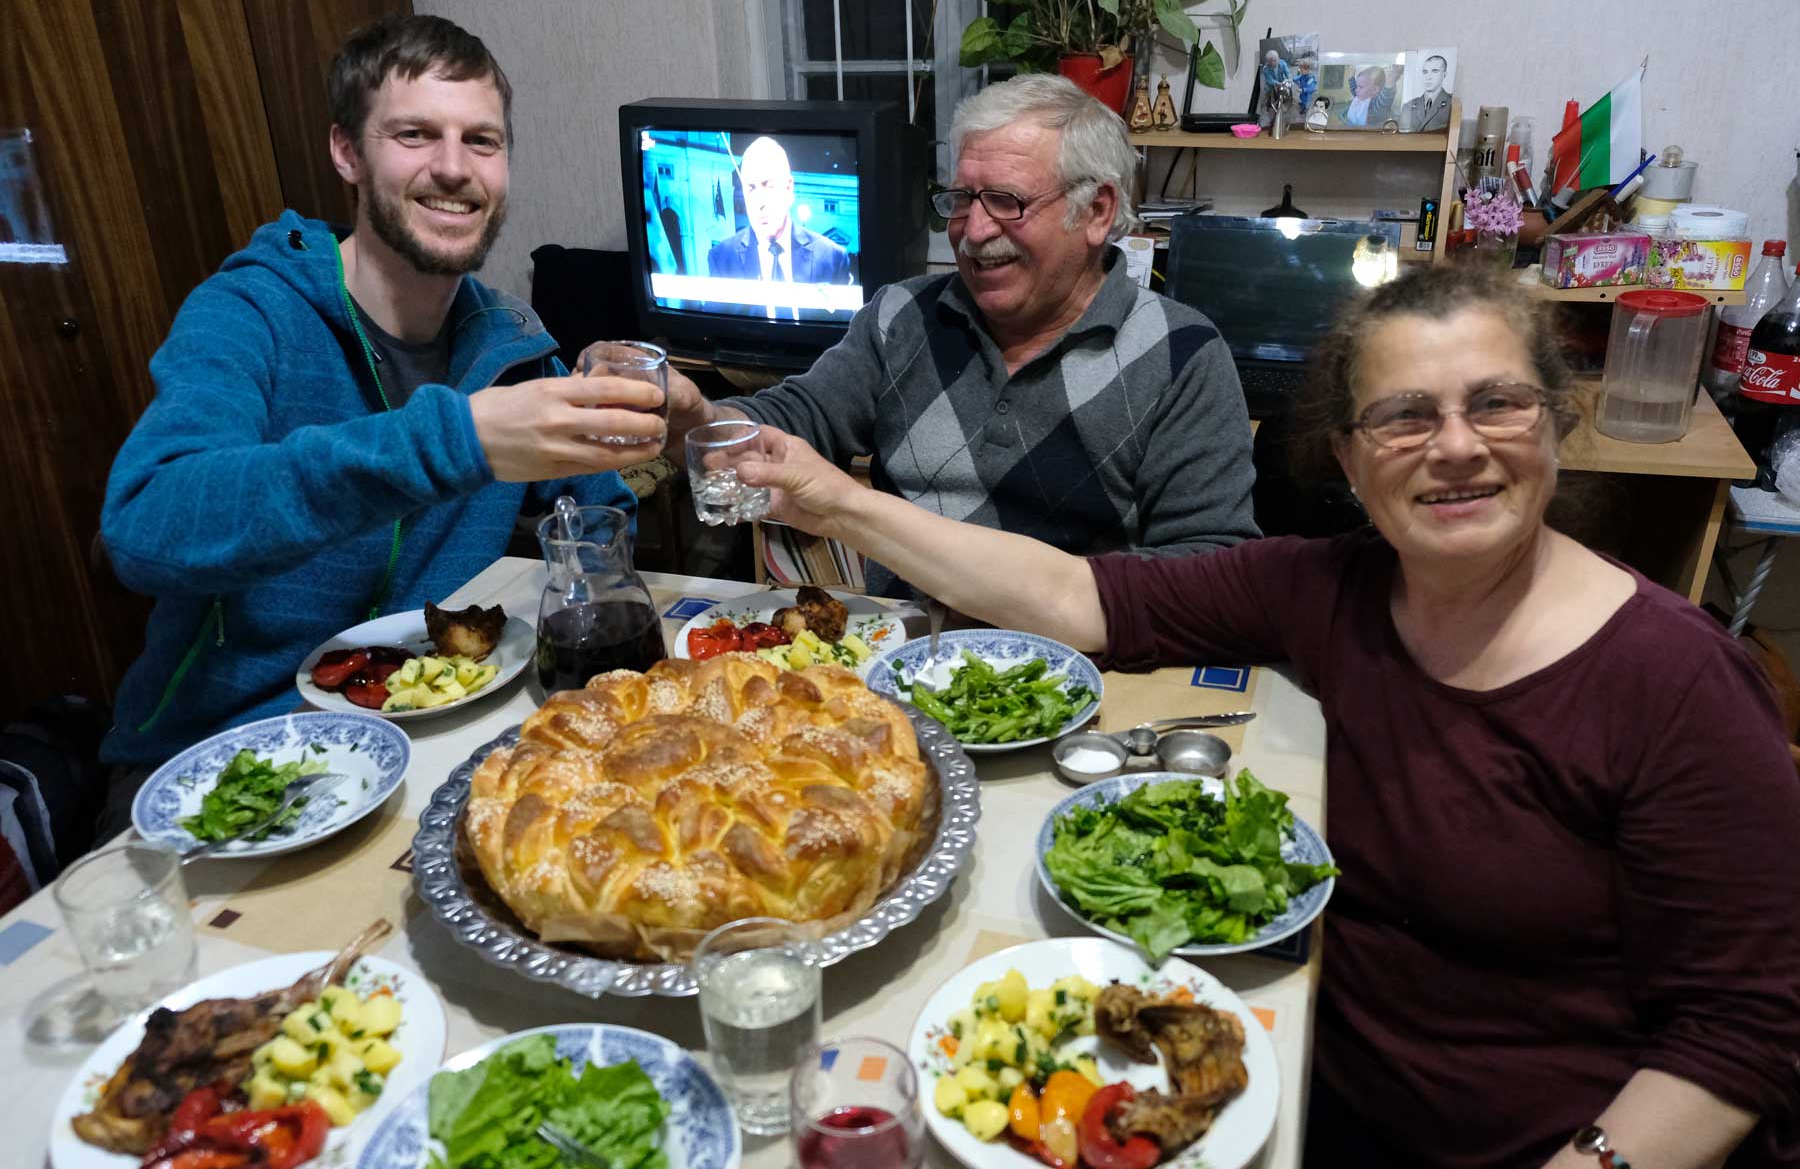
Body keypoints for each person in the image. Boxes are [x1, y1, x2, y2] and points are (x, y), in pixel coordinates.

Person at [725, 266, 1800, 1169]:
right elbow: (1078, 599)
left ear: (1555, 425)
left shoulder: (1676, 682)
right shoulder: (1328, 587)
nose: (1458, 446)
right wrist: (834, 501)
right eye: (1405, 416)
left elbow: (1742, 1034)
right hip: (1292, 1091)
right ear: (1346, 459)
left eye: (1498, 403)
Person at [98, 16, 666, 809]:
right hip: (223, 762)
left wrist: (629, 463)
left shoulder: (509, 340)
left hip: (429, 747)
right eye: (414, 134)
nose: (453, 169)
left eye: (482, 141)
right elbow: (146, 524)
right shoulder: (249, 312)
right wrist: (457, 441)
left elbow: (597, 522)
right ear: (346, 152)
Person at [667, 73, 1258, 596]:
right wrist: (693, 418)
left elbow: (1212, 575)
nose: (974, 232)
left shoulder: (1183, 356)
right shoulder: (900, 317)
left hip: (1079, 680)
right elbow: (795, 419)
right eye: (961, 199)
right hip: (901, 667)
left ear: (1097, 212)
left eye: (1006, 201)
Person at [705, 136, 851, 286]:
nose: (759, 202)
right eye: (751, 188)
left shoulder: (832, 258)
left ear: (788, 188)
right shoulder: (721, 259)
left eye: (768, 185)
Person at [1401, 54, 1453, 132]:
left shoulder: (1451, 104)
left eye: (1435, 71)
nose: (1428, 77)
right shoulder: (1407, 107)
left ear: (1444, 74)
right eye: (1425, 72)